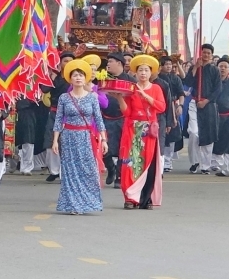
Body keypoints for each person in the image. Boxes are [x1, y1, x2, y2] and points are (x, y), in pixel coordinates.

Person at [52, 59, 107, 215]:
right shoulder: (64, 98)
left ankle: (89, 202)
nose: (78, 78)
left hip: (86, 137)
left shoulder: (92, 97)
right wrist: (55, 140)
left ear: (86, 78)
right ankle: (73, 204)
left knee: (88, 170)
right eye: (75, 75)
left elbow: (98, 119)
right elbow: (58, 119)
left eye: (81, 76)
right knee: (70, 170)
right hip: (68, 137)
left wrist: (103, 139)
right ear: (70, 78)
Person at [114, 54, 166, 209]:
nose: (143, 73)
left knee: (148, 164)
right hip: (133, 129)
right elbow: (127, 112)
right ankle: (130, 197)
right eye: (140, 70)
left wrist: (145, 96)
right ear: (135, 73)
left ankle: (146, 197)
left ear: (151, 73)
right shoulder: (131, 89)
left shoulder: (156, 88)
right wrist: (120, 99)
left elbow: (161, 107)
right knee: (131, 163)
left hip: (148, 131)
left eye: (146, 70)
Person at [183, 44, 221, 174]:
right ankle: (194, 162)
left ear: (211, 55)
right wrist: (195, 68)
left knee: (208, 135)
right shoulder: (195, 68)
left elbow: (218, 89)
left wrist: (206, 101)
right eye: (204, 52)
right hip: (194, 103)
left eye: (208, 53)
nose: (205, 55)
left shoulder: (214, 70)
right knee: (194, 133)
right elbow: (187, 82)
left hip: (208, 104)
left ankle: (205, 165)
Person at [102, 53, 135, 188]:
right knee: (104, 148)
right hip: (105, 117)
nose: (108, 64)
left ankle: (120, 175)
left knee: (123, 148)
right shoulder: (103, 78)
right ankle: (111, 169)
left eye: (110, 61)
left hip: (123, 118)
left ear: (119, 64)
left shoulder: (130, 81)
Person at [40, 52, 73, 182]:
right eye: (65, 61)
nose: (68, 63)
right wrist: (50, 76)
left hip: (71, 115)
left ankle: (65, 172)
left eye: (70, 61)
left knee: (67, 143)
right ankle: (54, 170)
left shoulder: (76, 77)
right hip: (55, 112)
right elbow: (44, 89)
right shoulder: (56, 77)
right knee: (51, 141)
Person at [158, 57, 185, 172]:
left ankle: (168, 162)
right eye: (166, 64)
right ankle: (161, 160)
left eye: (170, 64)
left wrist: (180, 106)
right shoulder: (157, 78)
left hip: (173, 106)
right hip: (160, 106)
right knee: (161, 133)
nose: (169, 66)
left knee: (173, 133)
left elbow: (181, 93)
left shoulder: (176, 78)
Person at [211, 57, 229, 172]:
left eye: (225, 67)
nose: (223, 69)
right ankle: (215, 162)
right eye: (221, 66)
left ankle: (228, 163)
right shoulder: (213, 82)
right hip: (215, 114)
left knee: (228, 138)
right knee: (216, 138)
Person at [15, 98, 38, 176]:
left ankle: (27, 167)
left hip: (28, 112)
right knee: (10, 141)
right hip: (11, 111)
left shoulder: (33, 88)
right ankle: (14, 163)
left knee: (28, 140)